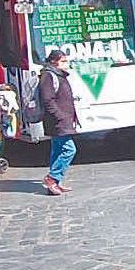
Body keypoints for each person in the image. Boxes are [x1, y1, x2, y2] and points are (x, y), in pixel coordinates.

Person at [40, 49, 79, 195]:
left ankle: (56, 183)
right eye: (63, 61)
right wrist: (60, 115)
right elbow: (47, 100)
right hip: (57, 121)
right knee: (69, 150)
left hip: (62, 120)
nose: (67, 64)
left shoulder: (58, 75)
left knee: (57, 150)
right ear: (54, 62)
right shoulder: (48, 76)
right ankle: (52, 178)